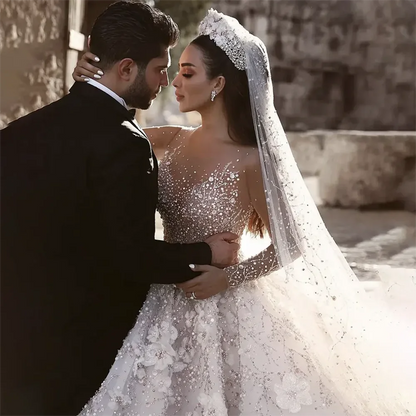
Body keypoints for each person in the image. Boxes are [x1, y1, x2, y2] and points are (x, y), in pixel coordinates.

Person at [73, 8, 416, 416]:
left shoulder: (251, 161)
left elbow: (291, 243)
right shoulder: (170, 139)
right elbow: (94, 132)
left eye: (187, 72)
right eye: (176, 71)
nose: (173, 82)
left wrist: (228, 277)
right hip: (164, 292)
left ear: (218, 84)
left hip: (225, 300)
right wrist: (90, 83)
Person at [0, 3, 240, 416]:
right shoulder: (126, 143)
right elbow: (130, 256)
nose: (165, 82)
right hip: (80, 354)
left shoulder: (17, 133)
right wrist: (207, 253)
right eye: (159, 69)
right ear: (126, 69)